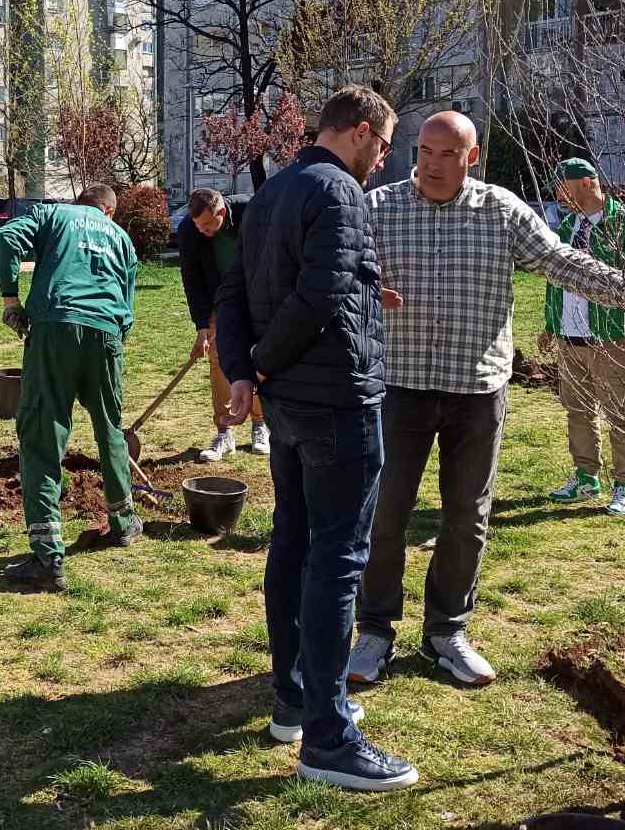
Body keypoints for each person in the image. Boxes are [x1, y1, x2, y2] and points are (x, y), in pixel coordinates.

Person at [348, 112, 625, 689]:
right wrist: (366, 291)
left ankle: (447, 632)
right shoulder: (378, 208)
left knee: (467, 517)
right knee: (386, 514)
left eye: (447, 154)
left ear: (472, 158)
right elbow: (340, 271)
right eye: (424, 152)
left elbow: (562, 262)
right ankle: (374, 631)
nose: (431, 164)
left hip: (477, 390)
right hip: (400, 386)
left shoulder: (501, 211)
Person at [214, 85, 419, 794]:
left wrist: (245, 370)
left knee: (293, 542)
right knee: (337, 559)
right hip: (336, 402)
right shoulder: (339, 191)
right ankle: (329, 738)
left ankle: (293, 699)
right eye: (384, 145)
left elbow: (237, 293)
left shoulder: (271, 192)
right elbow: (317, 295)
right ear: (359, 131)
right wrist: (262, 362)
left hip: (290, 406)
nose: (384, 159)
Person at [0, 185, 139, 592]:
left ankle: (47, 556)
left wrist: (11, 301)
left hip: (56, 328)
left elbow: (5, 238)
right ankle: (124, 522)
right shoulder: (123, 240)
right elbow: (128, 309)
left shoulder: (54, 215)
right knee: (111, 428)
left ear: (82, 205)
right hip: (107, 333)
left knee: (43, 432)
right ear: (109, 212)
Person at [538, 157, 625, 517]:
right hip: (570, 335)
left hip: (612, 334)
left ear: (587, 183)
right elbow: (556, 277)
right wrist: (551, 324)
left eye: (563, 187)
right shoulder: (567, 226)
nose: (559, 195)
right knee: (578, 410)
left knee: (620, 412)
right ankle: (586, 476)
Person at [176, 188, 268, 461]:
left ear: (222, 213)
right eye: (198, 226)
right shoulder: (189, 230)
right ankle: (225, 431)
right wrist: (202, 325)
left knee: (259, 357)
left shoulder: (251, 211)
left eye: (207, 225)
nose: (202, 230)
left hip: (257, 295)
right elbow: (191, 278)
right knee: (219, 360)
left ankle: (260, 424)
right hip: (220, 299)